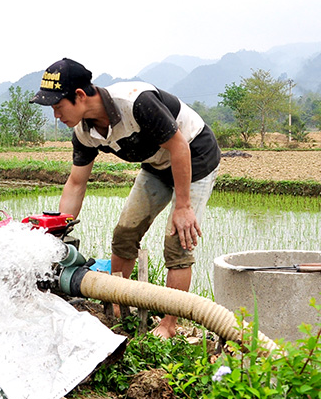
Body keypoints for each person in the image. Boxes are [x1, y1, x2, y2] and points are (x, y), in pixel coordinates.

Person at [30, 58, 221, 339]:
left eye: (58, 106)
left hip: (195, 156)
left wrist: (183, 206)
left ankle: (169, 324)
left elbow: (179, 146)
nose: (56, 115)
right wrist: (59, 233)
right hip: (156, 164)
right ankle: (119, 309)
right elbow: (75, 183)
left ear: (80, 96)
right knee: (124, 234)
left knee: (178, 240)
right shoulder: (84, 132)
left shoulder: (136, 103)